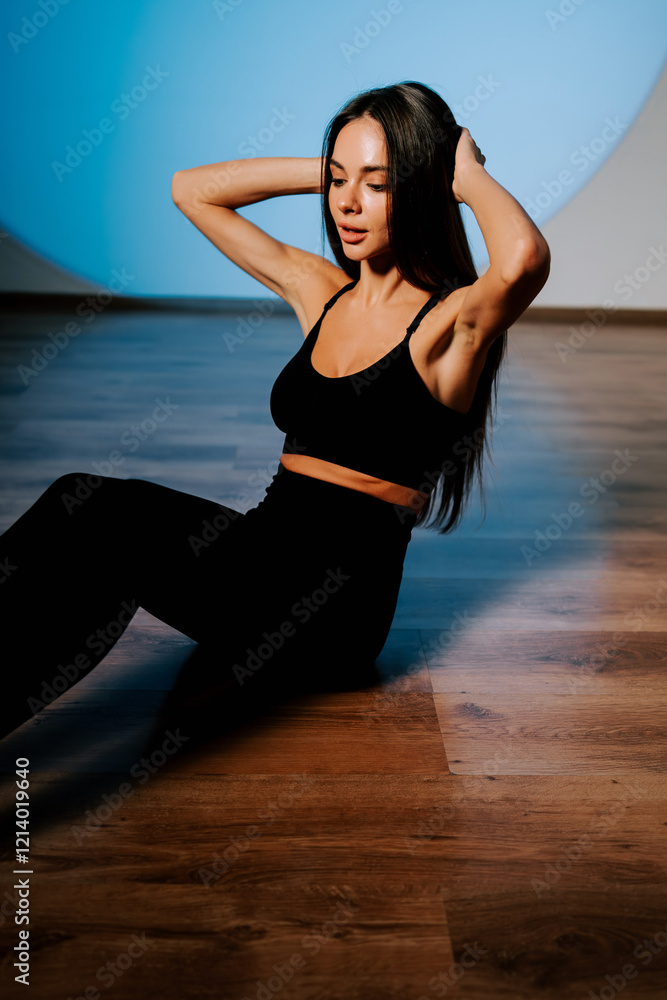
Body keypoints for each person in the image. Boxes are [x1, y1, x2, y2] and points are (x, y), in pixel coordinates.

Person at [0, 81, 550, 740]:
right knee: (74, 512)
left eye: (376, 184)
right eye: (338, 182)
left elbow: (521, 261)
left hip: (331, 615)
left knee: (98, 517)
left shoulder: (448, 324)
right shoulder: (322, 293)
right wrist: (335, 173)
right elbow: (192, 190)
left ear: (422, 186)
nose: (346, 203)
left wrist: (462, 172)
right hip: (258, 560)